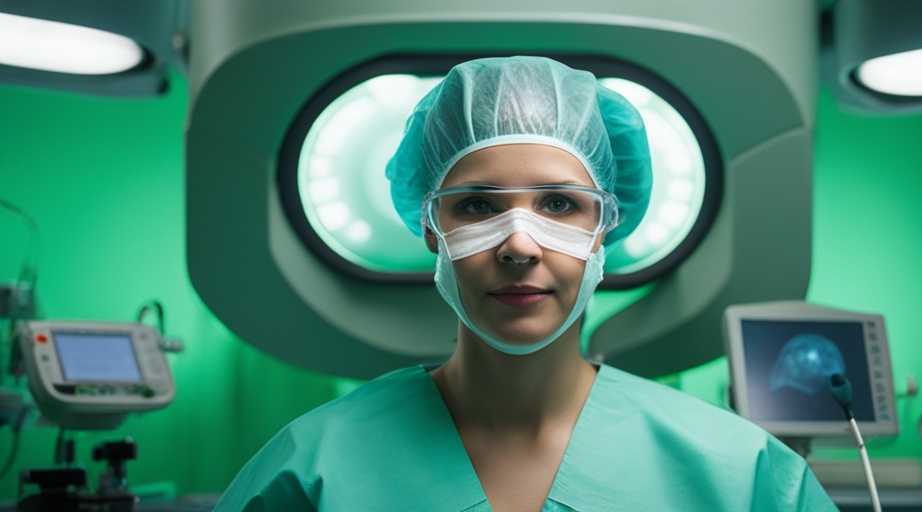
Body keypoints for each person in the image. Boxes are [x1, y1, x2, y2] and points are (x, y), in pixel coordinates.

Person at [214, 56, 837, 511]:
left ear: (605, 229)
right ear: (432, 227)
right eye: (479, 207)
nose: (518, 244)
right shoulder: (312, 473)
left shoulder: (741, 477)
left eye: (561, 205)